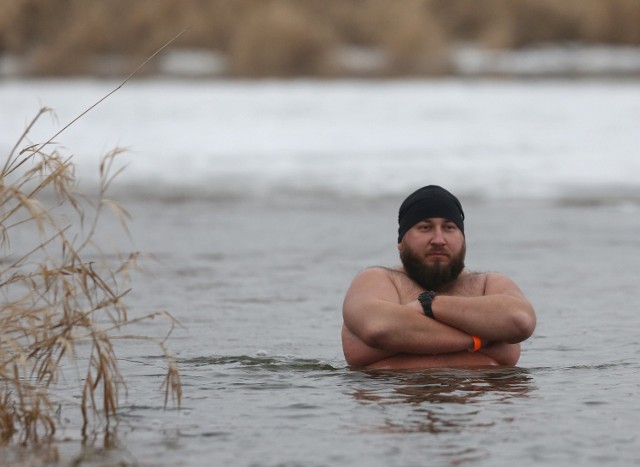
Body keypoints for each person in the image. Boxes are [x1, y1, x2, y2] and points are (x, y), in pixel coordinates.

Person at [342, 185, 536, 369]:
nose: (438, 240)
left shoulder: (487, 283)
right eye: (425, 228)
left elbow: (519, 322)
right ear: (401, 242)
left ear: (463, 241)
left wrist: (428, 305)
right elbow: (379, 328)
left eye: (449, 228)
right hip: (399, 401)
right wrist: (478, 339)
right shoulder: (378, 279)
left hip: (476, 403)